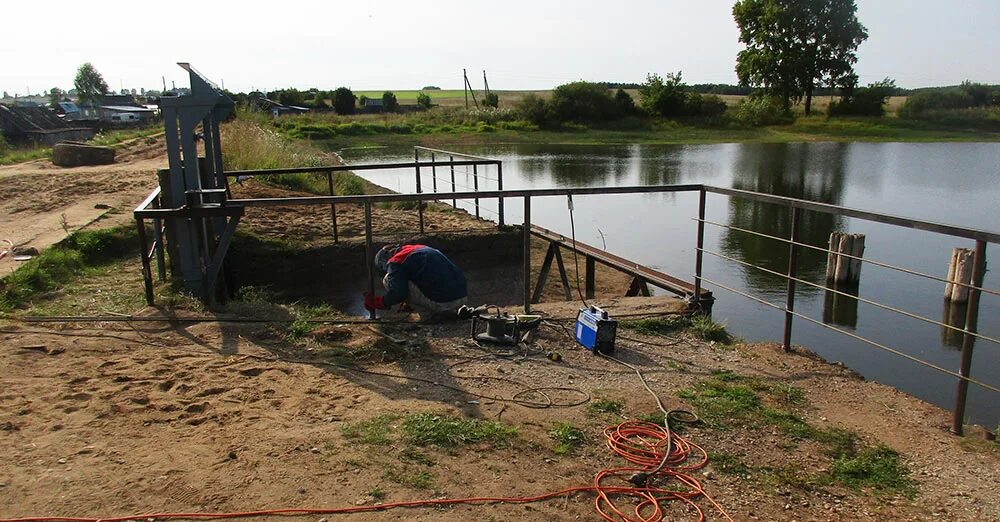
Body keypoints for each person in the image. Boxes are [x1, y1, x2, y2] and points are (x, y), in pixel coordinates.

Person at [364, 244, 468, 320]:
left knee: (388, 279)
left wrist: (381, 302)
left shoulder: (395, 262)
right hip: (462, 296)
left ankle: (430, 314)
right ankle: (441, 309)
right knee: (403, 278)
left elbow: (398, 293)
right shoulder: (417, 248)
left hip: (444, 302)